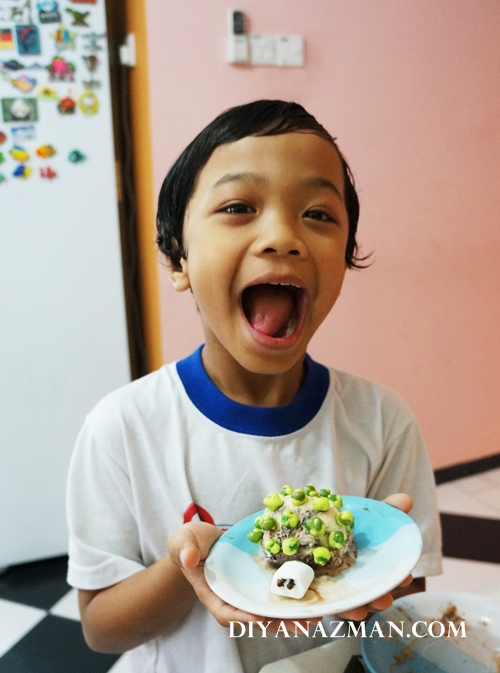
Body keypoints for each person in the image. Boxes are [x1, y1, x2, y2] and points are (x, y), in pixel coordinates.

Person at [66, 100, 442, 673]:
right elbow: (100, 628)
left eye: (318, 214)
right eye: (239, 206)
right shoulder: (122, 428)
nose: (282, 236)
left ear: (345, 259)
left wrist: (372, 572)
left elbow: (403, 607)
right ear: (178, 257)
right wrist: (182, 565)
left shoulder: (382, 421)